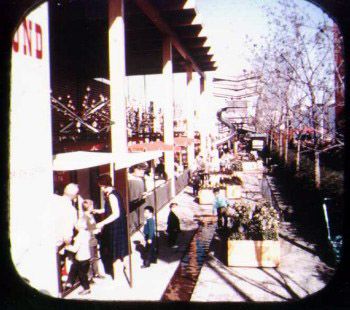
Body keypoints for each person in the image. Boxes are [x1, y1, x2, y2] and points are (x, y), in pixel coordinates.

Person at [93, 175, 129, 280]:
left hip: (116, 225)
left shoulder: (112, 196)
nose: (100, 187)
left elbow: (116, 214)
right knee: (120, 250)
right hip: (118, 224)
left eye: (100, 185)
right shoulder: (112, 193)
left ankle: (117, 276)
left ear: (103, 185)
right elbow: (110, 209)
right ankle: (124, 268)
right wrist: (99, 211)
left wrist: (102, 223)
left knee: (115, 251)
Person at [64, 216, 91, 295]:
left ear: (78, 227)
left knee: (82, 275)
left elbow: (75, 249)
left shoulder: (79, 237)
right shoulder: (86, 233)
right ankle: (70, 282)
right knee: (74, 266)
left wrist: (67, 246)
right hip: (86, 258)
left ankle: (87, 288)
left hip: (81, 259)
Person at [82, 199, 103, 279]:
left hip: (93, 239)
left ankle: (96, 273)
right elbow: (85, 229)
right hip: (89, 240)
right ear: (89, 207)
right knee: (90, 259)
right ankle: (90, 276)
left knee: (95, 257)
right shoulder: (85, 217)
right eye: (92, 205)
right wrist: (95, 230)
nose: (93, 207)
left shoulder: (90, 215)